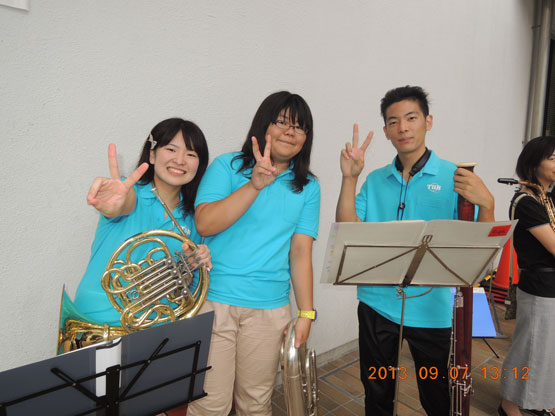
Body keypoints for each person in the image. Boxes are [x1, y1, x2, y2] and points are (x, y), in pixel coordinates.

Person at [336, 85, 495, 416]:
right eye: (393, 121)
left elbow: (478, 251)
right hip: (376, 305)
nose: (403, 128)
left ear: (428, 121)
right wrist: (349, 179)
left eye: (411, 118)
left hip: (432, 310)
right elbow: (348, 230)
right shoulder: (375, 180)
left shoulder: (456, 177)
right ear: (385, 131)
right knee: (377, 393)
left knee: (435, 396)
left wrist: (489, 204)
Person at [187, 91, 320, 416]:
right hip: (214, 301)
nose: (290, 132)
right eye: (282, 122)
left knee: (256, 403)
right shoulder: (228, 166)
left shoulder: (307, 187)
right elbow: (205, 222)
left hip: (269, 309)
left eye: (299, 127)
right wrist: (254, 185)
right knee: (209, 405)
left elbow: (300, 252)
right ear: (264, 125)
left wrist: (306, 313)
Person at [73, 118, 212, 329]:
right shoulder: (129, 193)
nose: (180, 160)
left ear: (199, 165)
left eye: (191, 154)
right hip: (95, 321)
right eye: (171, 149)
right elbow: (124, 204)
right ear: (152, 155)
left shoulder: (194, 220)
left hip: (153, 329)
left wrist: (192, 266)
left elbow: (182, 293)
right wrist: (116, 202)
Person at [499, 136, 555, 416]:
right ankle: (509, 403)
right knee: (529, 348)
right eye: (553, 159)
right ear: (534, 164)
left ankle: (538, 400)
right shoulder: (525, 202)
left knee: (547, 350)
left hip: (551, 285)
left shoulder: (548, 198)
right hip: (539, 285)